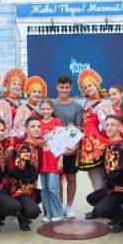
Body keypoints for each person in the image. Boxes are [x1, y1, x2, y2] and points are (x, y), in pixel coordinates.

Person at [86, 115, 123, 233]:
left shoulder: (119, 146)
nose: (109, 128)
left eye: (113, 125)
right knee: (91, 199)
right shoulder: (111, 143)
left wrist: (108, 186)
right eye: (107, 125)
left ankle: (120, 220)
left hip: (122, 189)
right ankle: (119, 214)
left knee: (100, 210)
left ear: (120, 127)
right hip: (112, 187)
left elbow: (115, 171)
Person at [76, 69, 113, 193]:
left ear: (96, 85)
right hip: (84, 140)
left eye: (90, 85)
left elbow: (107, 125)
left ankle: (99, 198)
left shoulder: (101, 105)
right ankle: (95, 198)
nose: (88, 88)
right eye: (85, 87)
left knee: (96, 172)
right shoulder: (85, 103)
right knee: (91, 172)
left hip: (94, 141)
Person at [53, 75, 83, 219]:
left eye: (66, 87)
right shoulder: (51, 105)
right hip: (55, 150)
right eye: (61, 87)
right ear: (57, 87)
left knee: (71, 177)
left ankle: (69, 206)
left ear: (71, 88)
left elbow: (78, 128)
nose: (64, 90)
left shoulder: (77, 107)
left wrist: (76, 146)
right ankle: (60, 204)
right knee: (57, 179)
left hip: (70, 149)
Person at [9, 117, 43, 230]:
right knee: (34, 211)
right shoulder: (25, 148)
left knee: (45, 194)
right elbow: (20, 170)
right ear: (26, 130)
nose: (37, 129)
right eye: (33, 127)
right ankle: (22, 216)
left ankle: (24, 211)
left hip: (30, 187)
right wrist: (31, 179)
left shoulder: (34, 146)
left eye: (38, 126)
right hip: (21, 189)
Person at [38, 99, 65, 222]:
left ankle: (57, 212)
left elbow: (62, 142)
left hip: (53, 160)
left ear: (52, 109)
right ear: (40, 110)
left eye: (48, 109)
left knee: (53, 188)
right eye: (43, 109)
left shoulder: (57, 122)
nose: (46, 111)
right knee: (44, 189)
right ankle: (47, 214)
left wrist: (61, 160)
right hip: (42, 161)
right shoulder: (38, 123)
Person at [7, 76, 45, 148]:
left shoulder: (41, 109)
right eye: (34, 91)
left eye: (39, 92)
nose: (37, 94)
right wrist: (12, 144)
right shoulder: (23, 109)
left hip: (40, 144)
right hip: (26, 145)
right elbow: (18, 131)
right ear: (29, 94)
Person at [0, 68, 26, 133]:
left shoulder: (22, 105)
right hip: (8, 135)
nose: (17, 86)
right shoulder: (4, 104)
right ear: (9, 87)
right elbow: (2, 124)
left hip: (20, 135)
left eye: (19, 85)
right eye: (14, 84)